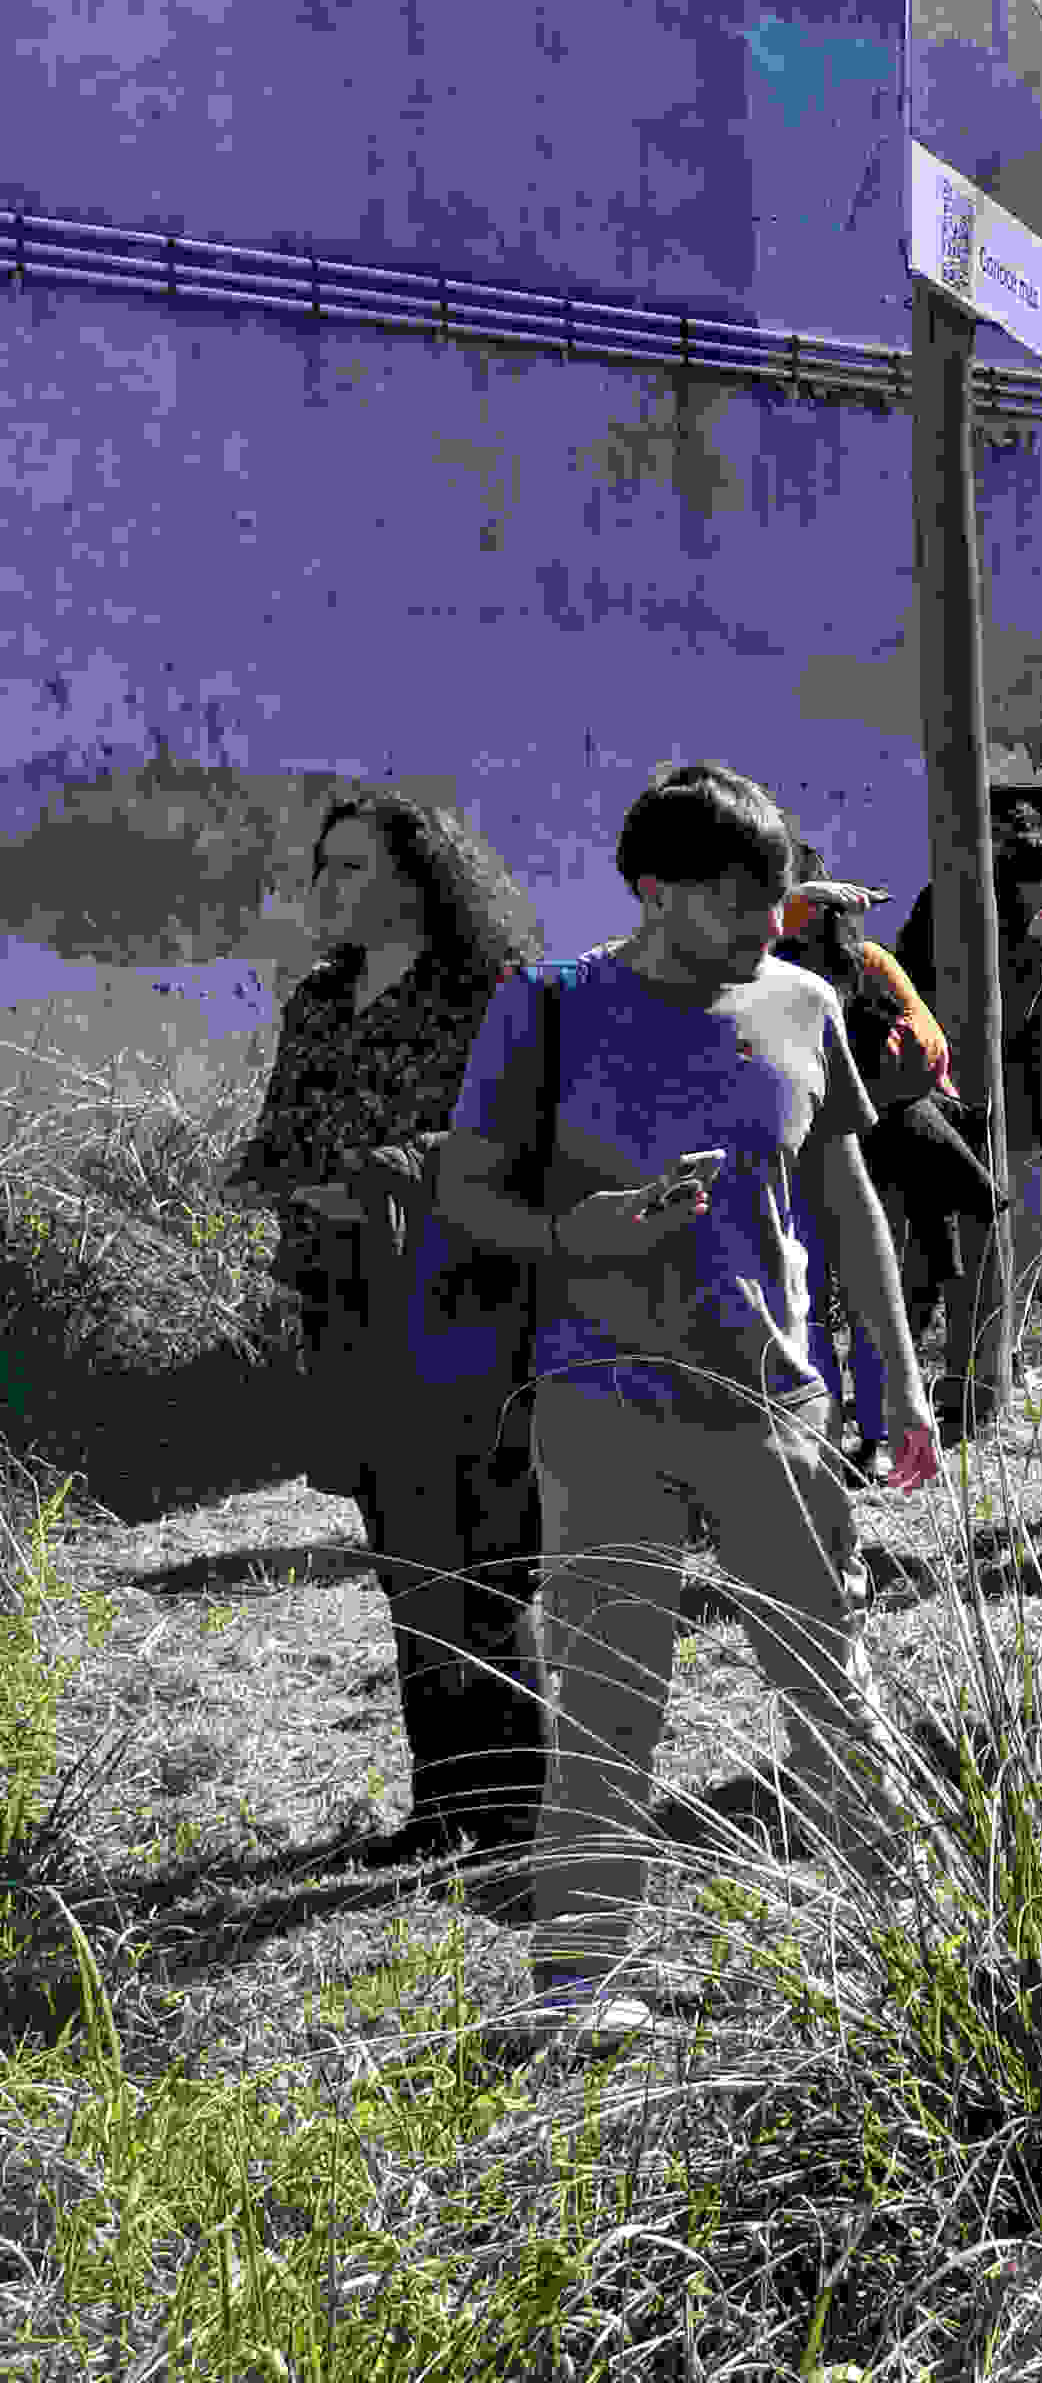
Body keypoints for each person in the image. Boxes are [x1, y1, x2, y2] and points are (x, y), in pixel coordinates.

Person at [427, 759, 936, 2053]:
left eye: (778, 894)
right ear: (653, 891)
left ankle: (911, 1940)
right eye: (737, 899)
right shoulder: (547, 1009)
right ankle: (580, 1980)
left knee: (832, 1679)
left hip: (776, 1406)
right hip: (604, 1404)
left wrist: (903, 1376)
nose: (769, 921)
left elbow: (849, 1204)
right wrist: (574, 1232)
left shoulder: (806, 1005)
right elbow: (465, 1191)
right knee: (610, 1696)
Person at [237, 788, 551, 1868]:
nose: (326, 886)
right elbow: (280, 1137)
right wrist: (301, 1191)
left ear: (418, 881)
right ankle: (443, 1811)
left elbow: (516, 1149)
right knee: (407, 1559)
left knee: (487, 1556)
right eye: (322, 865)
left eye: (351, 866)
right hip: (347, 1301)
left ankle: (517, 1811)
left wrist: (386, 1186)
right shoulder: (321, 1001)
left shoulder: (490, 997)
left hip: (472, 1301)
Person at [771, 861, 973, 1484]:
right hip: (853, 1147)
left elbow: (927, 1047)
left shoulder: (780, 967)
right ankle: (863, 1437)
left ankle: (841, 1434)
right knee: (845, 1299)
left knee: (812, 1299)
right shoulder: (854, 961)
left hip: (829, 1150)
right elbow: (932, 1049)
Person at [891, 802, 1042, 1439]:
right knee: (946, 1252)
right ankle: (944, 1378)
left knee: (1019, 1240)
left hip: (1032, 1108)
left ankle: (997, 1358)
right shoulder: (963, 913)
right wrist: (1033, 948)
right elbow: (992, 1019)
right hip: (964, 1102)